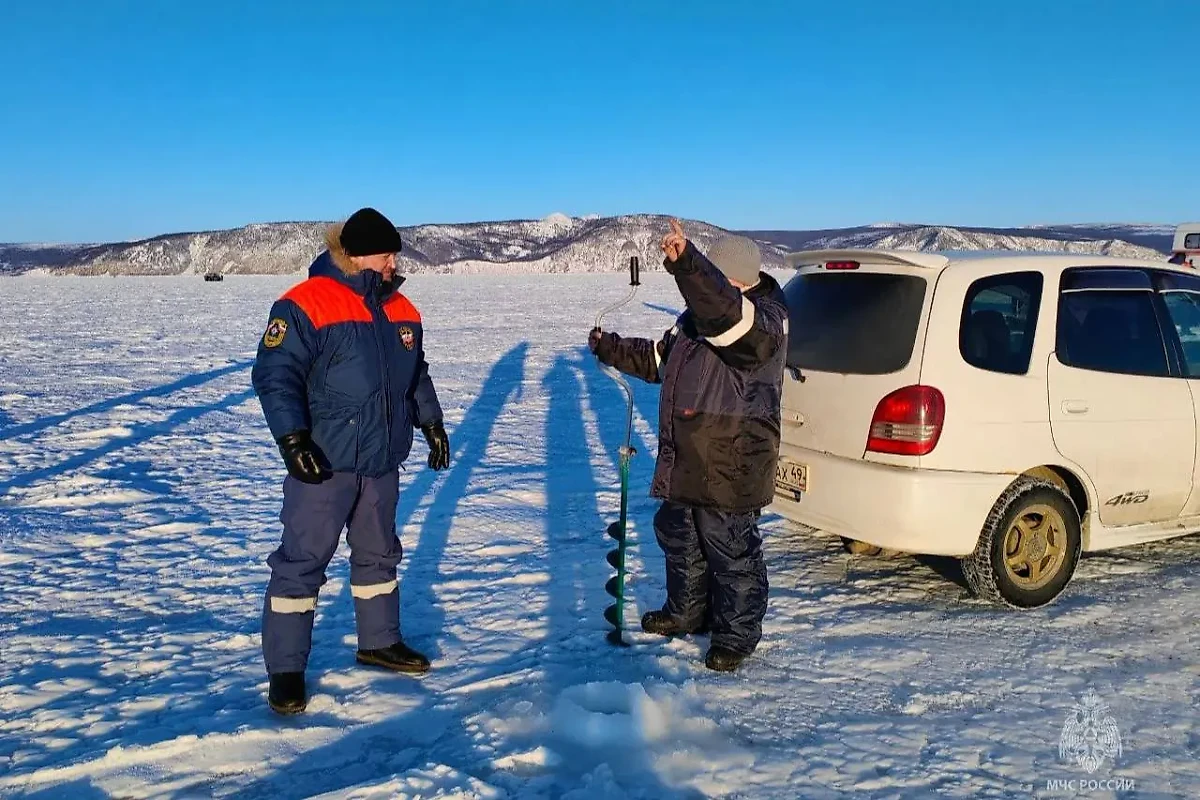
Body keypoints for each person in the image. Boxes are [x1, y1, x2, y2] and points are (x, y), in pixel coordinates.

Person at [251, 207, 451, 714]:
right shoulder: (305, 303)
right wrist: (293, 440)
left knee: (379, 554)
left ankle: (379, 640)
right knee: (301, 564)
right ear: (359, 253)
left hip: (382, 459)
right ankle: (286, 669)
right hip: (325, 462)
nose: (394, 263)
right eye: (387, 253)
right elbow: (276, 375)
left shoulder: (402, 308)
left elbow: (415, 373)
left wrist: (430, 421)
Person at [588, 219, 788, 672]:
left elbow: (728, 318)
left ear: (735, 278)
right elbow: (658, 360)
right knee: (680, 536)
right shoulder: (695, 318)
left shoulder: (763, 321)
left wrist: (690, 265)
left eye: (718, 277)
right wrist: (611, 347)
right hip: (689, 456)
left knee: (729, 548)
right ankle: (687, 613)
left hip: (733, 457)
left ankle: (736, 636)